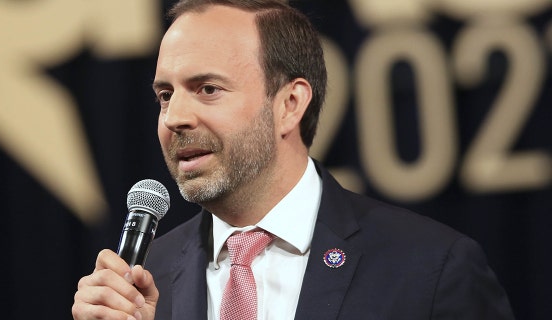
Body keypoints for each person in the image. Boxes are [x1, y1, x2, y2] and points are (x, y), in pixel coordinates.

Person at [72, 0, 515, 319]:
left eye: (208, 88)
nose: (175, 117)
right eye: (165, 95)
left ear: (289, 103)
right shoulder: (145, 280)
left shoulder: (428, 269)